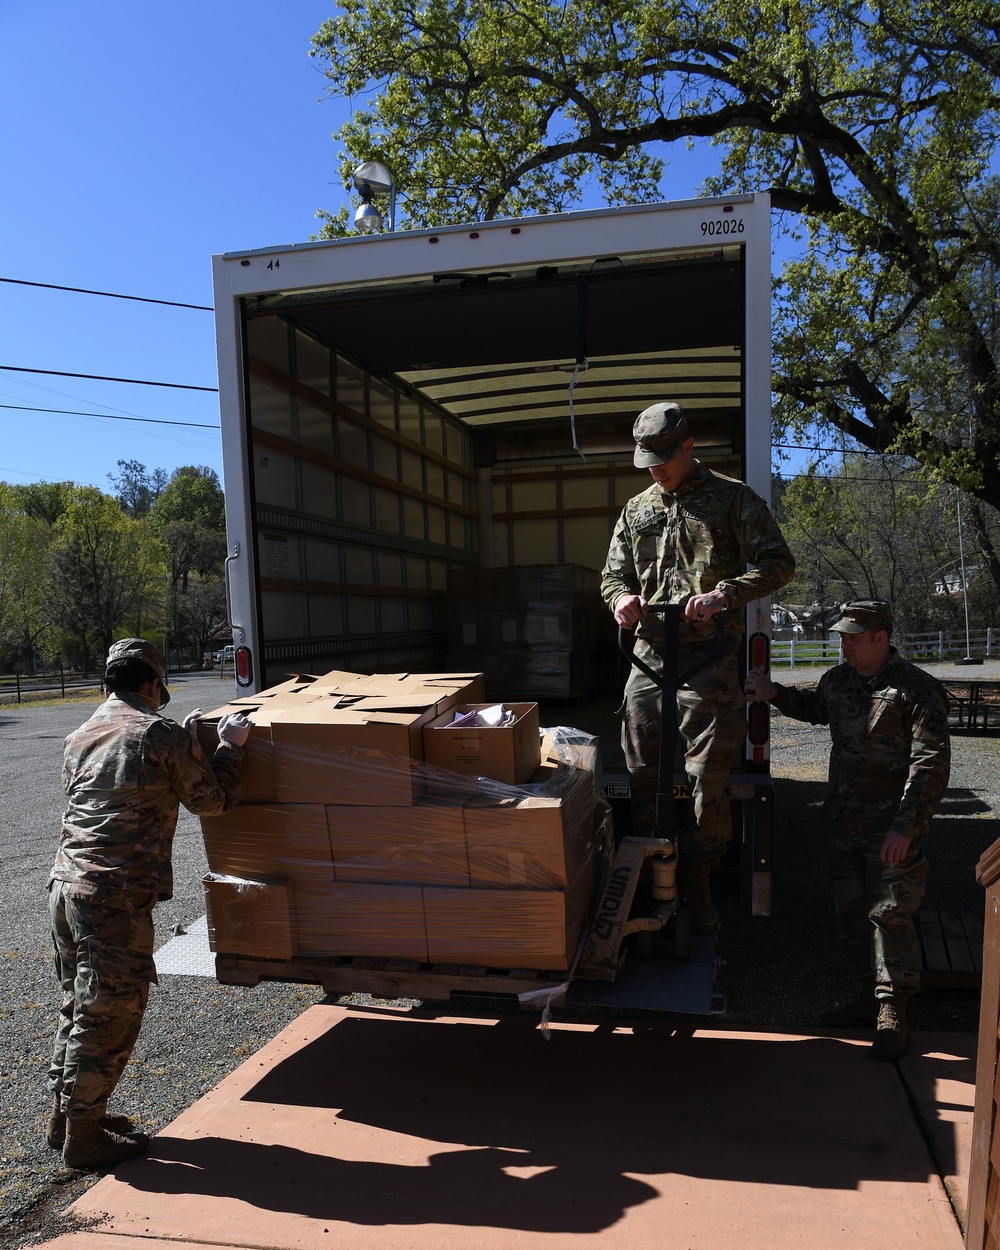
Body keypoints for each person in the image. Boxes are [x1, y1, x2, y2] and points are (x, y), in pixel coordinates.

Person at [47, 638, 252, 1170]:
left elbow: (123, 779)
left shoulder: (82, 733)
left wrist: (181, 746)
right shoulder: (159, 734)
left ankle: (67, 1115)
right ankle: (84, 1137)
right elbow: (212, 801)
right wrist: (231, 748)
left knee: (79, 1004)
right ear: (153, 684)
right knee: (110, 1014)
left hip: (66, 891)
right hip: (113, 898)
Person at [601, 402, 795, 933]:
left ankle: (700, 885)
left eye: (663, 458)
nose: (655, 470)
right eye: (647, 461)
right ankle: (648, 876)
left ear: (690, 446)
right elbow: (611, 576)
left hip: (710, 659)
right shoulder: (637, 509)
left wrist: (723, 596)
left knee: (707, 780)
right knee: (642, 773)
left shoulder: (734, 500)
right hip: (649, 656)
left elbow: (780, 564)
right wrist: (619, 599)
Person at [744, 600, 951, 1060]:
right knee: (852, 915)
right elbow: (814, 708)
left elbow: (931, 765)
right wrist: (771, 692)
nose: (845, 643)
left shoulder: (915, 689)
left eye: (854, 636)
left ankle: (892, 1012)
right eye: (842, 635)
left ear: (882, 637)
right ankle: (865, 996)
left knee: (890, 916)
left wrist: (906, 828)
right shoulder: (838, 681)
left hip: (891, 832)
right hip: (844, 824)